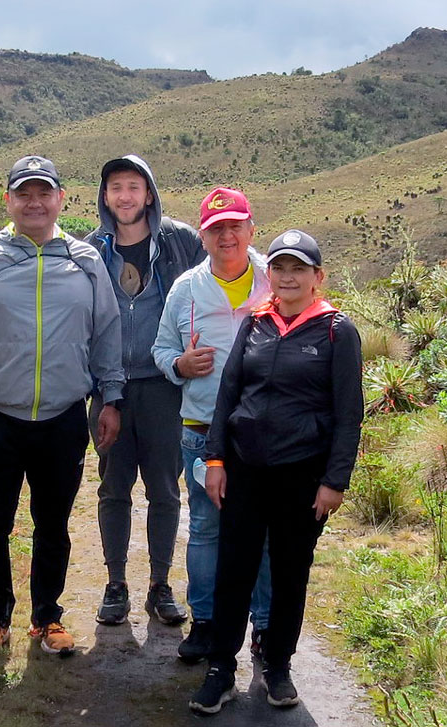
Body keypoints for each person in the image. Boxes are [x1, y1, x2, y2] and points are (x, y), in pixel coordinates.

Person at [0, 155, 124, 657]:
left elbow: (106, 333)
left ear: (61, 199)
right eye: (24, 194)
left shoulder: (85, 260)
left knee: (53, 523)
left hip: (62, 417)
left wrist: (111, 397)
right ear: (9, 201)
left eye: (43, 193)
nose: (34, 203)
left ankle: (47, 617)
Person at [188, 229, 362, 714]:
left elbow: (349, 414)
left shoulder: (337, 331)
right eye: (280, 268)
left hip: (301, 475)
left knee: (289, 573)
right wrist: (216, 460)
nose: (287, 277)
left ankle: (278, 666)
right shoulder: (256, 323)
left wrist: (334, 481)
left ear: (317, 276)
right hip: (244, 470)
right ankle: (221, 669)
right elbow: (228, 395)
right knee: (234, 570)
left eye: (298, 269)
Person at [153, 187, 274, 663]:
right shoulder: (186, 288)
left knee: (263, 532)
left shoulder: (275, 279)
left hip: (264, 432)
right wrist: (179, 365)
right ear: (202, 237)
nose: (226, 236)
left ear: (251, 229)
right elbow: (161, 348)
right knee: (205, 528)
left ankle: (265, 628)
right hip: (202, 429)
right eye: (216, 229)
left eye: (234, 226)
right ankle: (204, 623)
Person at [84, 155, 202, 627]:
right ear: (105, 196)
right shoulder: (91, 251)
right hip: (108, 388)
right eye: (116, 187)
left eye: (134, 186)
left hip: (164, 386)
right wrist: (103, 391)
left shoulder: (180, 242)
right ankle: (116, 585)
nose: (125, 196)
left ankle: (159, 585)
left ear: (149, 193)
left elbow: (223, 272)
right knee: (113, 488)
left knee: (165, 491)